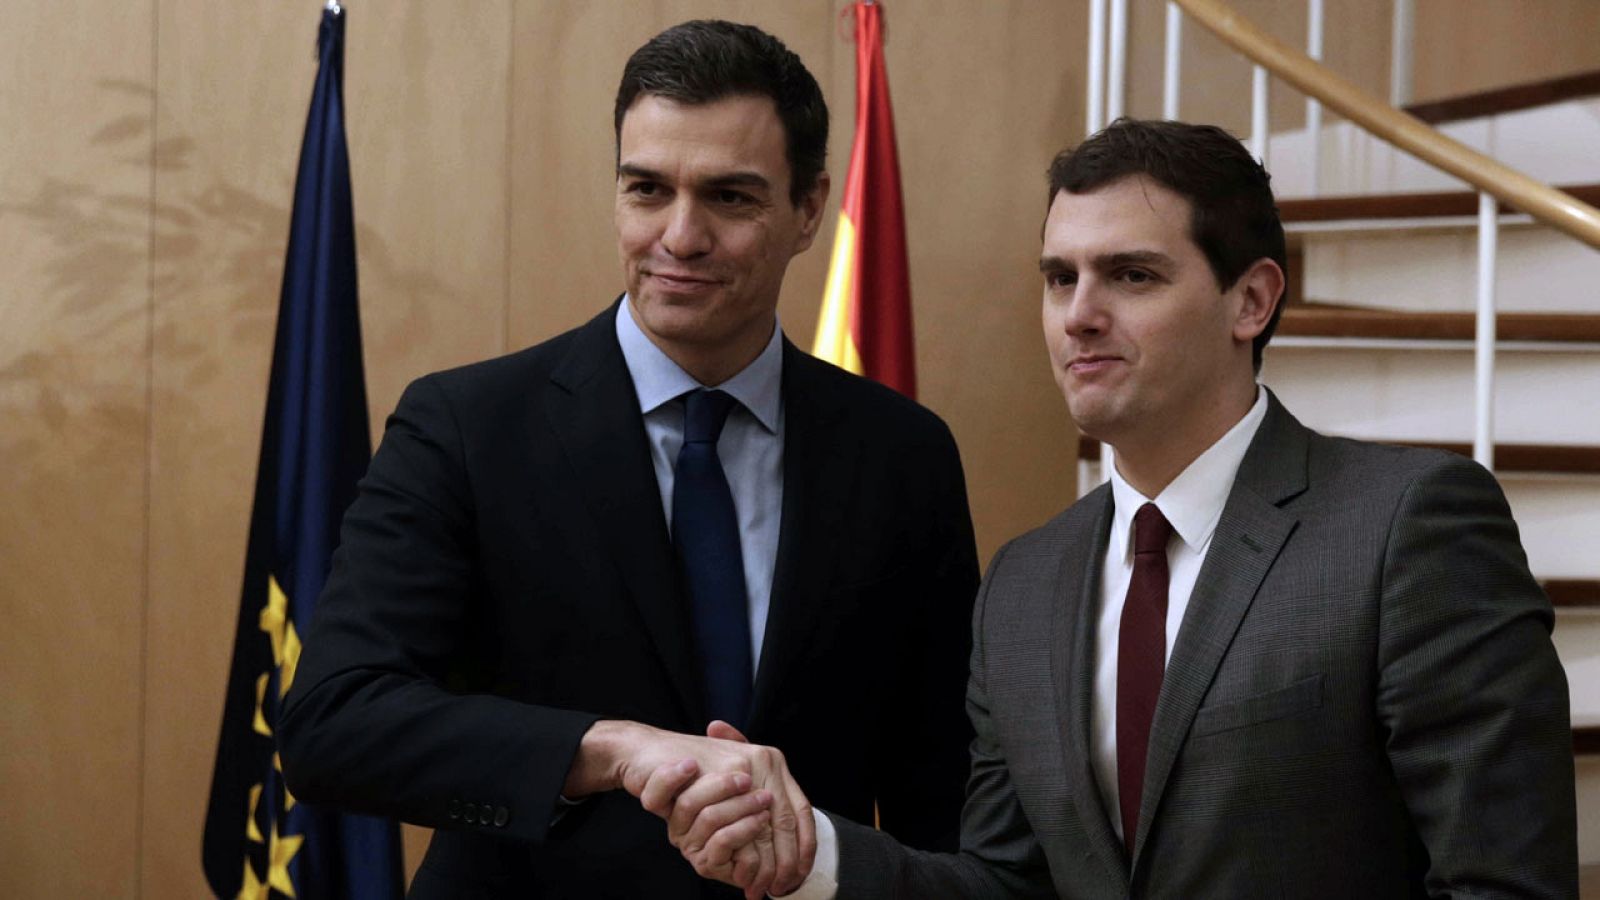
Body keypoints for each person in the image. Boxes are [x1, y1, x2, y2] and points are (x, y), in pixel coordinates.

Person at [653, 119, 1578, 899]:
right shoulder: (1023, 581)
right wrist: (809, 850)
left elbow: (1498, 880)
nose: (1079, 316)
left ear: (1250, 299)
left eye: (1131, 276)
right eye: (1061, 279)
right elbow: (1005, 885)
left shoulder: (1406, 527)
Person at [277, 20, 978, 900]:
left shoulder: (902, 458)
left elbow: (942, 800)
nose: (680, 237)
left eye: (729, 198)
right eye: (647, 189)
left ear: (809, 210)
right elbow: (333, 724)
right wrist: (610, 749)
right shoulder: (466, 427)